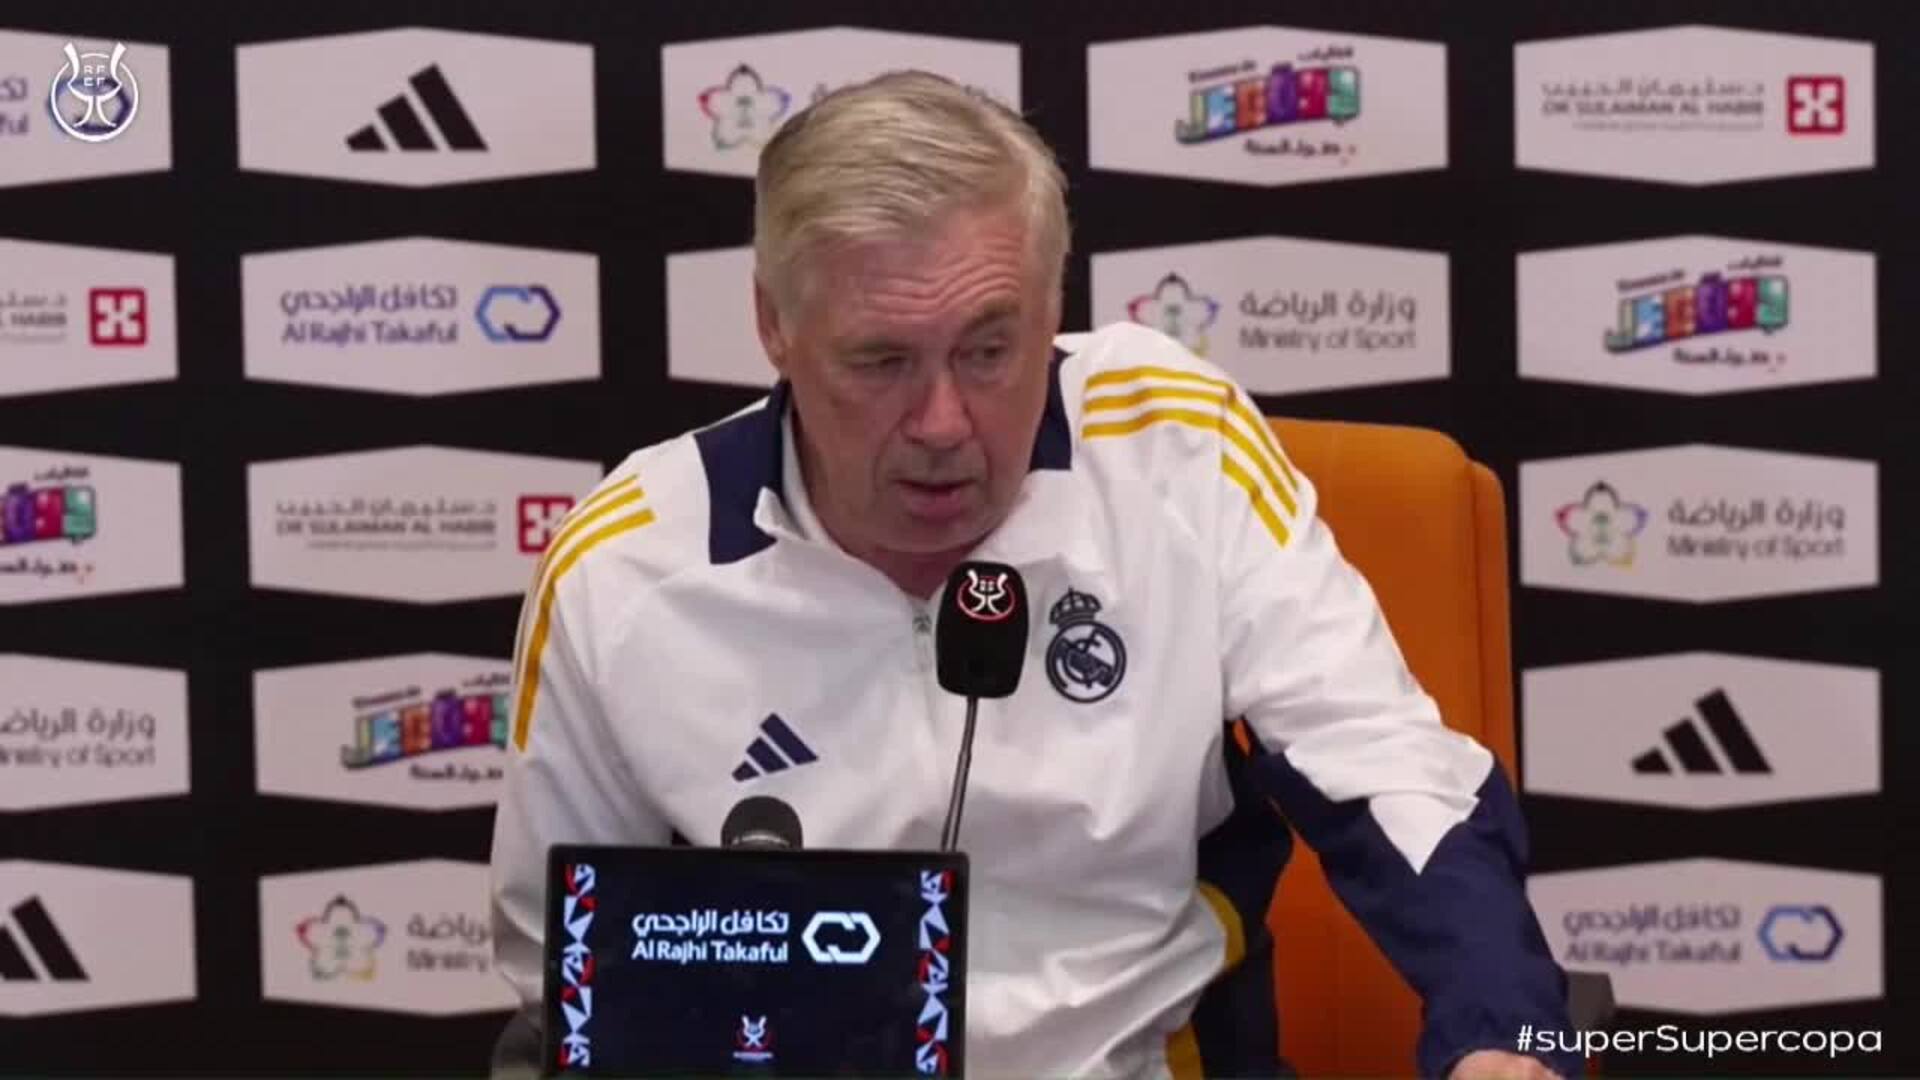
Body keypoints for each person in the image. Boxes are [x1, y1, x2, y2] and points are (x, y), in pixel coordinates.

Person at [489, 70, 1579, 1079]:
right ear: (775, 324)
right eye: (881, 361)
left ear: (1054, 307)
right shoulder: (624, 569)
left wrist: (1503, 1027)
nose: (942, 424)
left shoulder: (1176, 447)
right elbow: (566, 967)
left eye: (989, 349)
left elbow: (1380, 763)